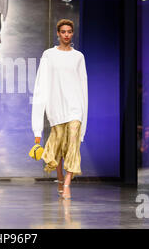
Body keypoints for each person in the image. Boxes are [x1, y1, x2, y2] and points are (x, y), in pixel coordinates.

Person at [32, 19, 88, 199]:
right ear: (58, 34)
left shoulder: (78, 56)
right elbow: (41, 85)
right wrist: (38, 125)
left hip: (74, 108)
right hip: (56, 107)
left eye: (69, 31)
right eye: (63, 31)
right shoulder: (48, 55)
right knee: (57, 148)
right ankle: (60, 177)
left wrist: (83, 112)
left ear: (72, 34)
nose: (66, 34)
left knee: (73, 144)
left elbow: (83, 85)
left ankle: (67, 184)